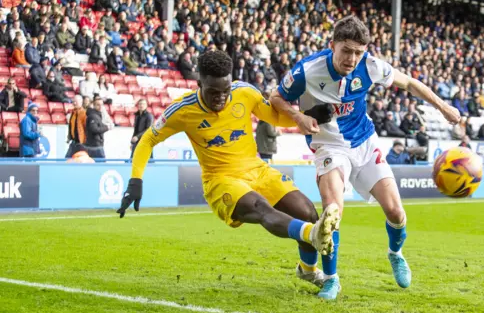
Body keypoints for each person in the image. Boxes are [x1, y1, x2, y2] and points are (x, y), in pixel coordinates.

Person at [117, 51, 341, 292]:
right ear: (199, 83)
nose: (221, 97)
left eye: (225, 90)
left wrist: (309, 116)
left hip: (256, 169)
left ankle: (307, 270)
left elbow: (273, 117)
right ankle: (312, 234)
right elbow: (147, 140)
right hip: (220, 180)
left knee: (306, 211)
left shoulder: (244, 92)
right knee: (260, 208)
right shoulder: (183, 110)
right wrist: (136, 180)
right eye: (214, 91)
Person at [270, 15, 460, 299]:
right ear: (332, 45)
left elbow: (408, 83)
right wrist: (297, 115)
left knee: (396, 212)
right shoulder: (308, 71)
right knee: (333, 211)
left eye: (358, 52)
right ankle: (332, 279)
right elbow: (275, 97)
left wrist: (443, 107)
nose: (351, 59)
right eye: (346, 51)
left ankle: (395, 253)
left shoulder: (370, 66)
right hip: (329, 146)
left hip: (365, 142)